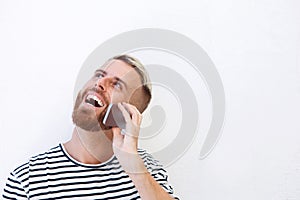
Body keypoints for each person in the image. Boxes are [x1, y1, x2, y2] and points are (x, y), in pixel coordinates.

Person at [2, 55, 179, 199]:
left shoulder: (147, 171)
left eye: (116, 84)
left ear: (129, 114)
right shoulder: (26, 181)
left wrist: (135, 169)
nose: (99, 83)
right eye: (99, 75)